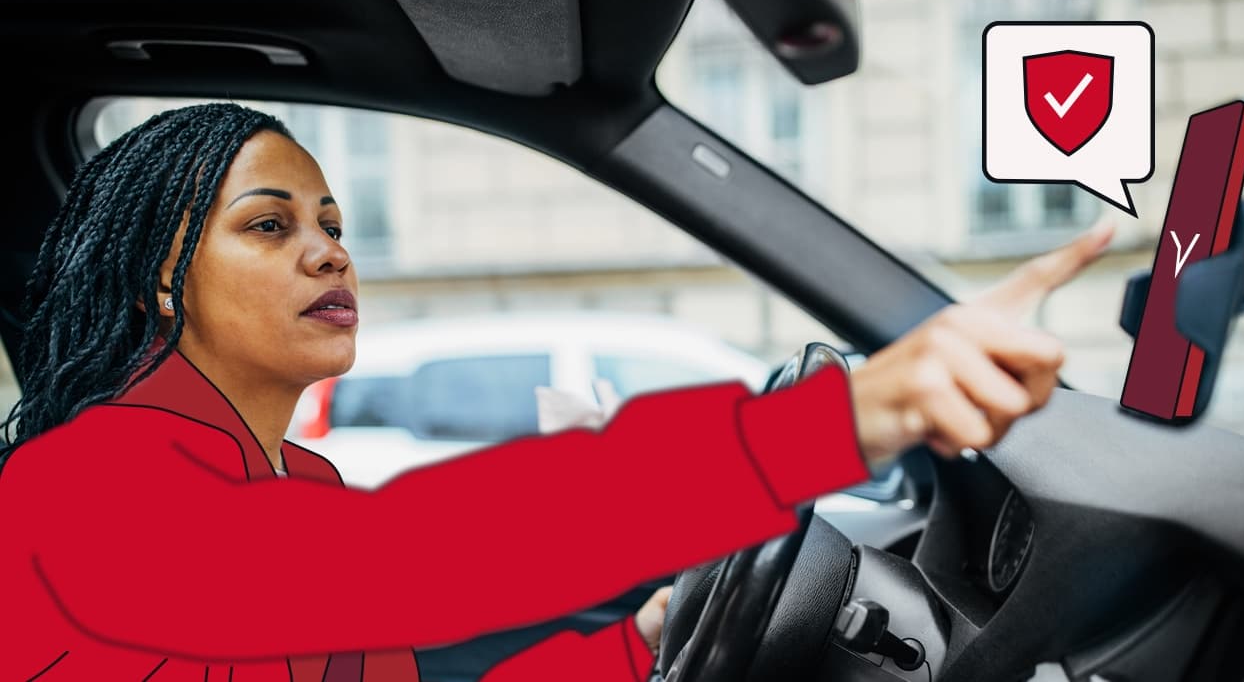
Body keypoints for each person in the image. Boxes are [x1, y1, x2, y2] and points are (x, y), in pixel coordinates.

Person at [0, 103, 1111, 682]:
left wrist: (643, 645)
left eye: (334, 225)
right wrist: (847, 417)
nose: (330, 254)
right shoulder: (74, 493)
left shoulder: (297, 477)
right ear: (160, 273)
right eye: (270, 226)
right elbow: (416, 555)